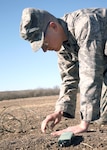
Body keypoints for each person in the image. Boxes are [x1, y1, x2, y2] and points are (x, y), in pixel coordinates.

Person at [20, 7, 107, 136]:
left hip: (100, 64)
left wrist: (84, 123)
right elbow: (69, 78)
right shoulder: (62, 46)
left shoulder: (85, 23)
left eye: (44, 42)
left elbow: (91, 71)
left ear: (53, 26)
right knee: (102, 119)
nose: (44, 49)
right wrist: (59, 110)